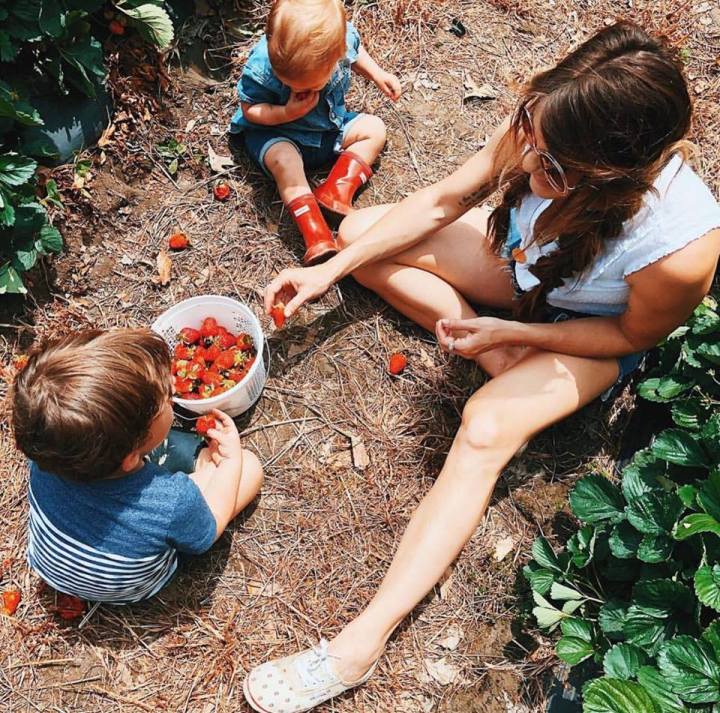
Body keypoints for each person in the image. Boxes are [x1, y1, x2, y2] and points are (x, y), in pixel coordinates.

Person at [245, 21, 720, 712]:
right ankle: (501, 354)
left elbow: (625, 330)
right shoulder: (550, 125)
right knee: (357, 235)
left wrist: (517, 327)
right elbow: (443, 200)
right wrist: (333, 271)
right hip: (528, 276)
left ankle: (359, 644)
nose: (529, 170)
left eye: (554, 169)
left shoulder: (683, 247)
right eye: (533, 140)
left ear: (617, 174)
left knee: (485, 427)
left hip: (587, 330)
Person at [11, 329, 263, 604]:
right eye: (166, 399)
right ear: (130, 457)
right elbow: (205, 535)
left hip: (56, 568)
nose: (174, 390)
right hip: (134, 589)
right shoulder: (172, 501)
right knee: (249, 468)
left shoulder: (48, 449)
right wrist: (230, 462)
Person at [229, 0, 401, 266]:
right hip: (280, 134)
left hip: (330, 130)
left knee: (374, 129)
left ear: (335, 57)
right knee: (285, 161)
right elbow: (251, 109)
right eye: (290, 84)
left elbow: (357, 54)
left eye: (311, 84)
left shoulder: (341, 41)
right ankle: (314, 231)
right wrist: (286, 113)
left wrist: (378, 74)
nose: (301, 90)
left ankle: (335, 192)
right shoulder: (263, 64)